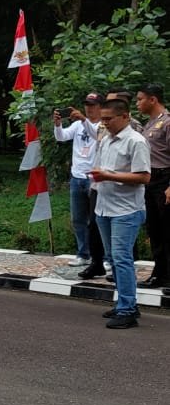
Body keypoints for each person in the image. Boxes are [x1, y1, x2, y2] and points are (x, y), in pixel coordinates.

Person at [89, 98, 150, 328]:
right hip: (104, 206)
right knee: (113, 258)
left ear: (125, 116)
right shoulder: (106, 140)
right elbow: (101, 170)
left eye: (108, 119)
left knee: (122, 258)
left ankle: (128, 310)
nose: (104, 123)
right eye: (102, 119)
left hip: (126, 210)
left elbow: (144, 176)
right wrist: (96, 178)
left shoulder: (136, 141)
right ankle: (125, 303)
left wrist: (108, 176)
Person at [52, 93, 106, 270]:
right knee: (78, 219)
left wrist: (84, 120)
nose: (89, 108)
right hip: (77, 177)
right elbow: (61, 137)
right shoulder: (76, 125)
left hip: (94, 179)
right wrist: (58, 125)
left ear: (100, 106)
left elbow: (97, 136)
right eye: (86, 105)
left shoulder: (104, 125)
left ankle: (103, 257)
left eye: (92, 105)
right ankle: (83, 253)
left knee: (97, 220)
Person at [136, 84, 170, 289]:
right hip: (151, 180)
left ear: (153, 100)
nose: (138, 103)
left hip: (165, 179)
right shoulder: (149, 124)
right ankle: (160, 273)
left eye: (140, 99)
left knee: (167, 230)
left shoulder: (167, 122)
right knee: (155, 229)